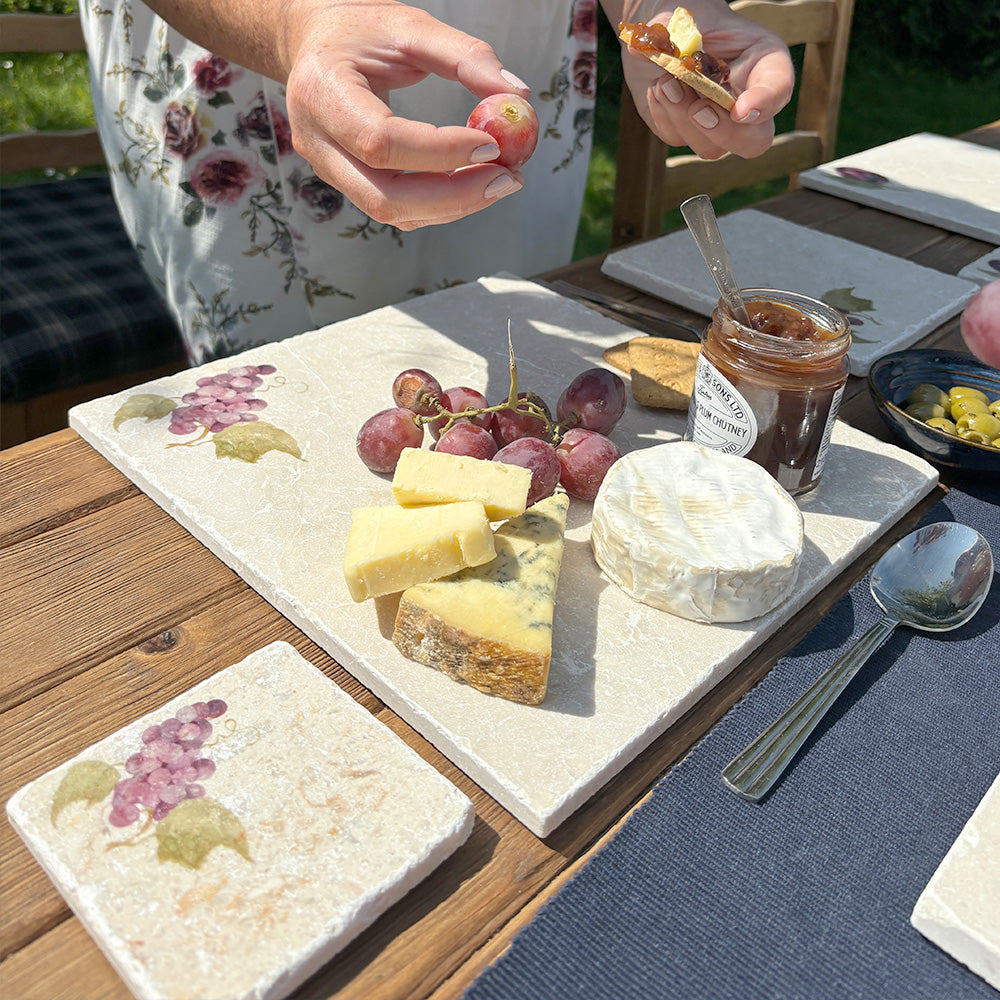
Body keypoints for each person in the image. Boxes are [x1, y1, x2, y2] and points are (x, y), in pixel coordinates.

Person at [78, 0, 794, 365]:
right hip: (255, 48)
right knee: (302, 409)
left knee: (505, 350)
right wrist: (294, 28)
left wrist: (650, 11)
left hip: (519, 47)